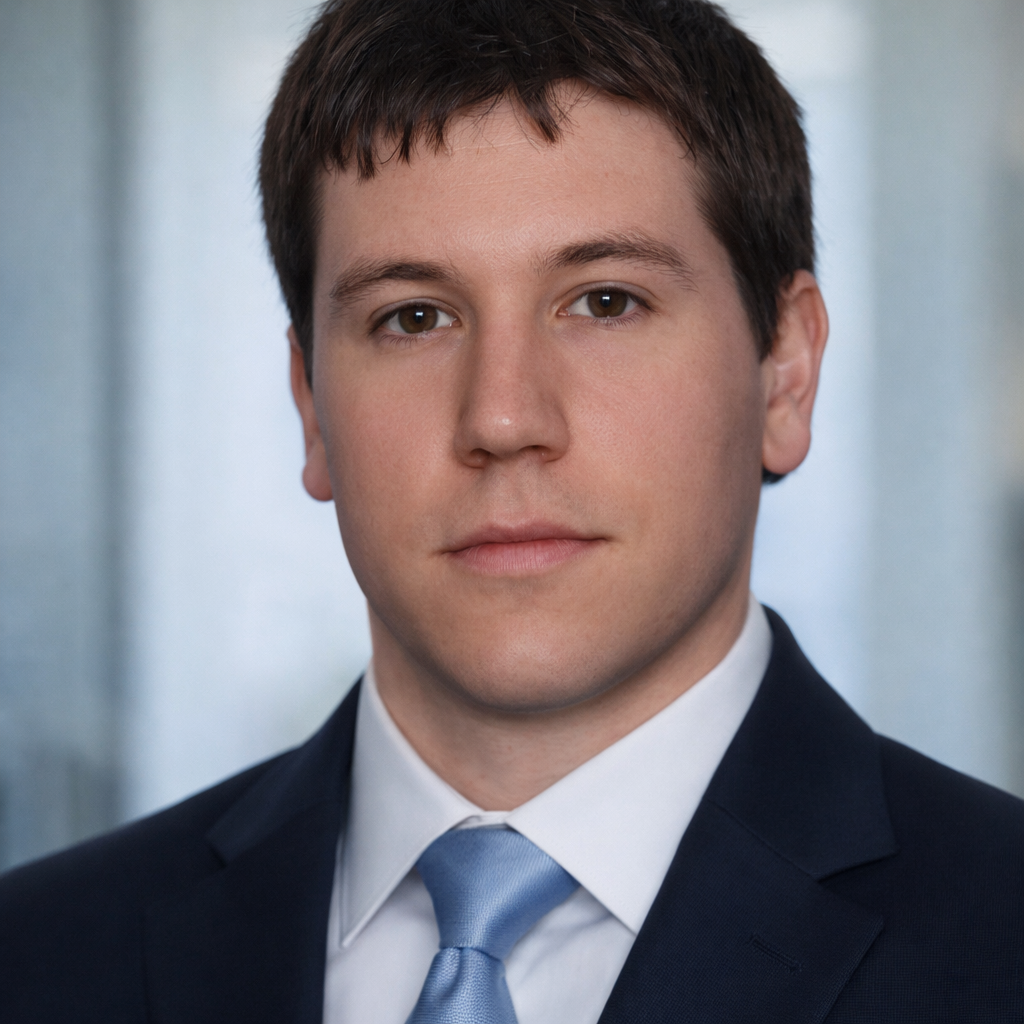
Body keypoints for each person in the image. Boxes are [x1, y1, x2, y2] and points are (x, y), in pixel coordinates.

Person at [1, 0, 1022, 1020]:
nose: (500, 416)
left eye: (604, 301)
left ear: (785, 373)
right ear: (310, 406)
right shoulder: (37, 958)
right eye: (413, 317)